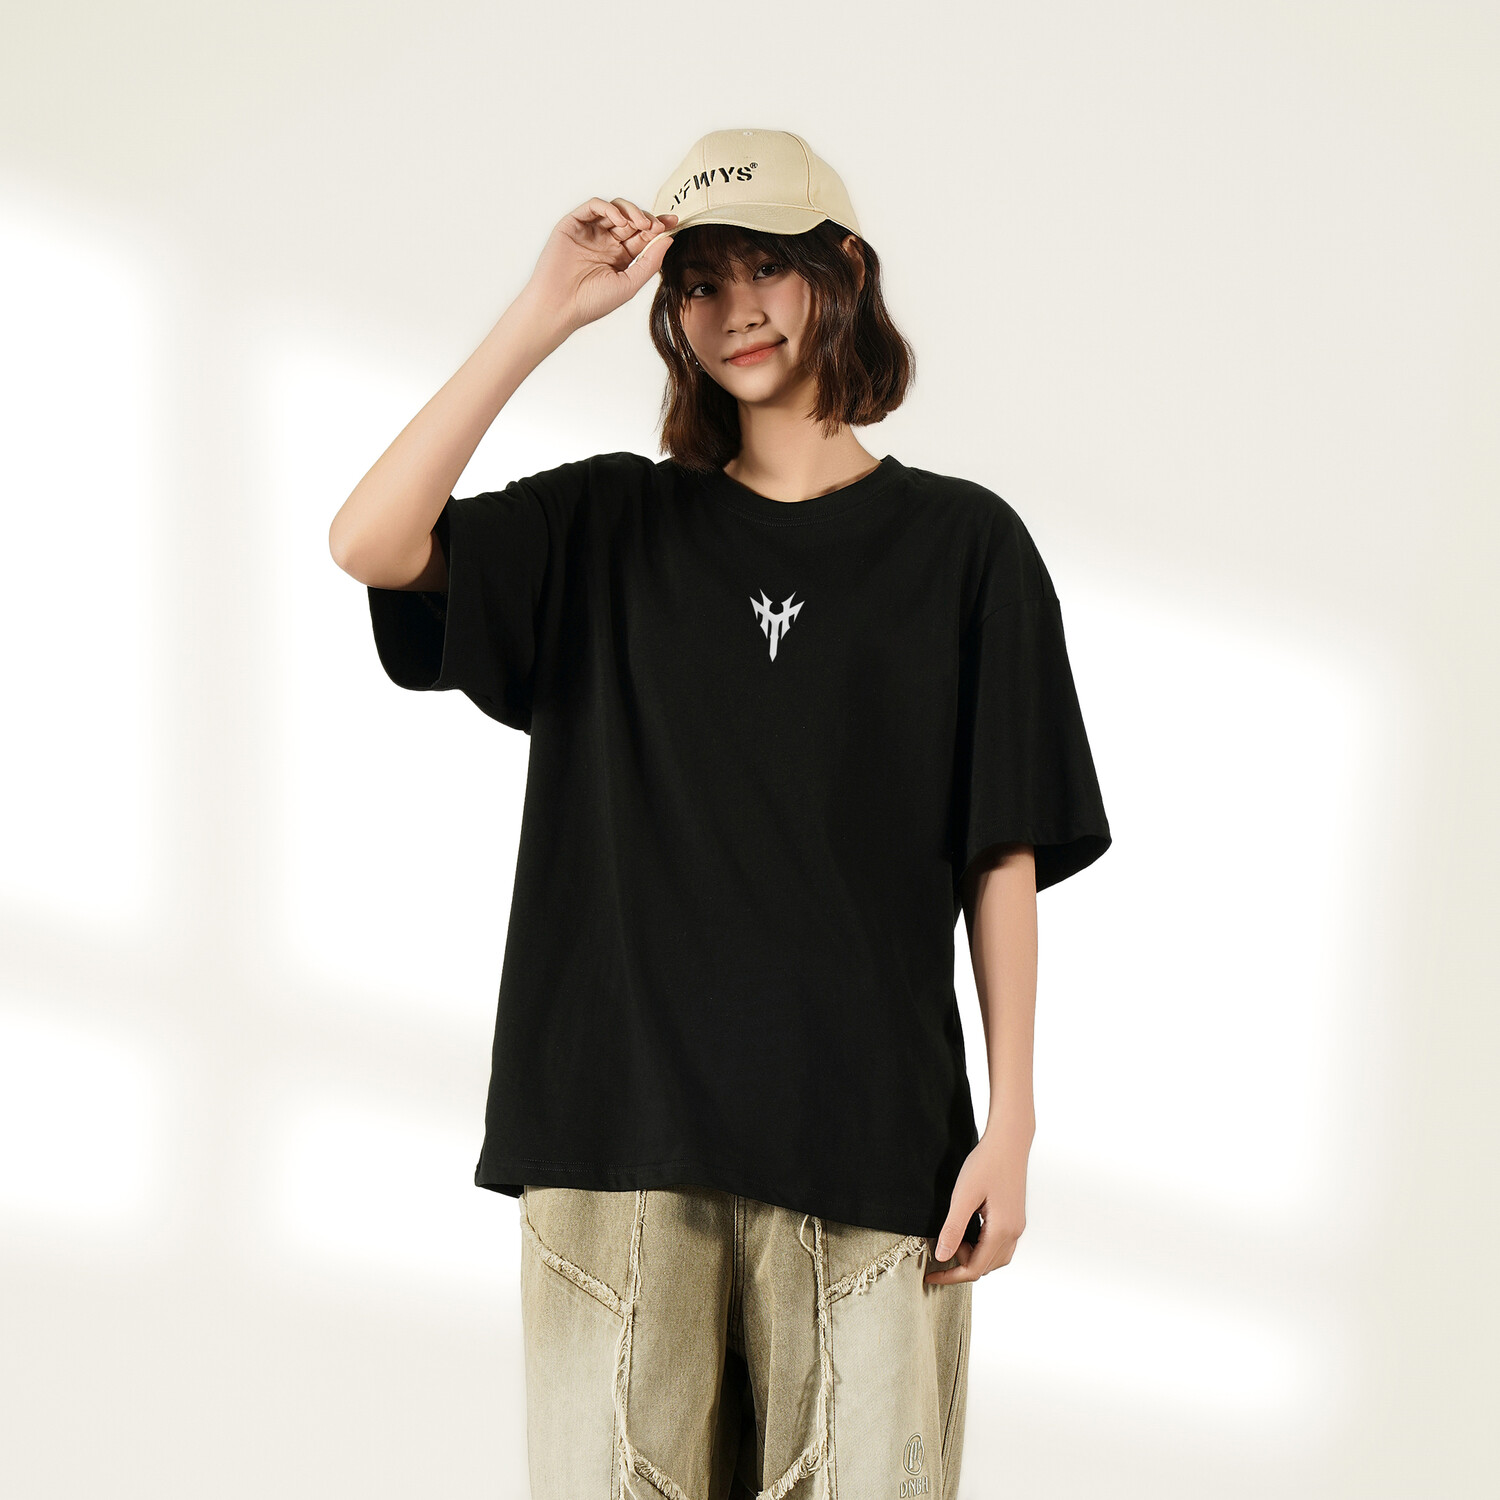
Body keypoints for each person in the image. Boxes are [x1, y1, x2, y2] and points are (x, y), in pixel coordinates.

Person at [329, 129, 1111, 1499]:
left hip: (874, 1147)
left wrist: (1014, 1123)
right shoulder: (609, 528)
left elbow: (1003, 845)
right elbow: (371, 542)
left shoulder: (964, 547)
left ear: (843, 271)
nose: (735, 309)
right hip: (617, 1146)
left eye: (768, 269)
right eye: (698, 283)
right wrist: (543, 312)